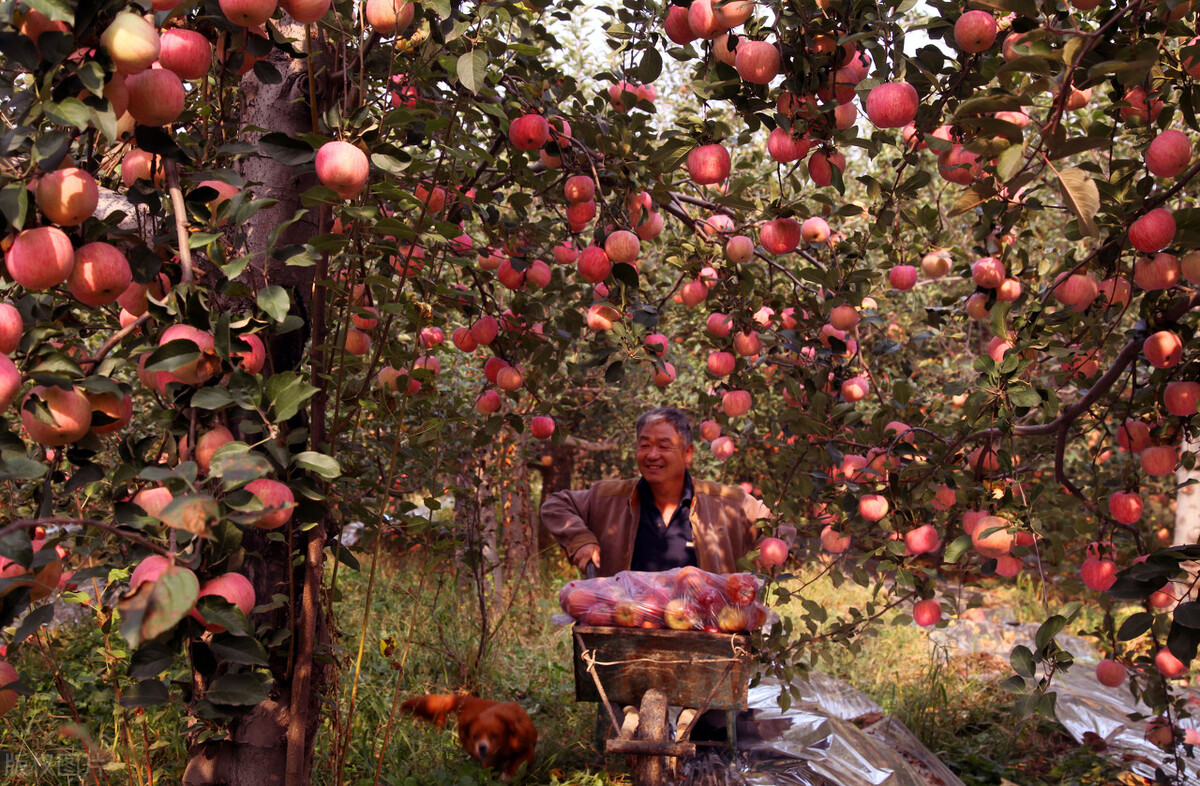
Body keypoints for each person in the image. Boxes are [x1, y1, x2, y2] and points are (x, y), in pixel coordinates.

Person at [540, 407, 770, 577]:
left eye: (663, 445)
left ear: (687, 453)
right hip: (625, 630)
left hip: (704, 633)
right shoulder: (610, 497)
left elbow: (777, 524)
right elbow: (556, 505)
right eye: (644, 445)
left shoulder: (725, 502)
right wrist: (580, 540)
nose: (652, 454)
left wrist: (765, 549)